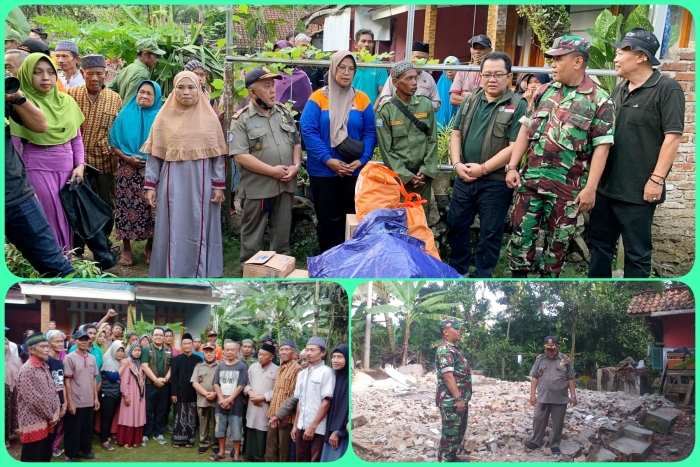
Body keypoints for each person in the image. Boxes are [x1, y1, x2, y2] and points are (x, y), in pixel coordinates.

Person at [505, 36, 616, 278]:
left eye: (558, 59)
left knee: (557, 247)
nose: (552, 65)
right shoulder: (544, 91)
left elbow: (602, 148)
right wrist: (512, 166)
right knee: (521, 240)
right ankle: (519, 292)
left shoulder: (600, 100)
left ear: (578, 61)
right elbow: (526, 129)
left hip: (567, 190)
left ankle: (547, 295)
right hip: (531, 182)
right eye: (551, 59)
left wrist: (590, 189)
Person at [589, 28, 685, 278]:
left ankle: (636, 310)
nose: (616, 58)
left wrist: (656, 180)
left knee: (637, 254)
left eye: (621, 53)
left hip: (639, 192)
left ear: (641, 56)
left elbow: (672, 138)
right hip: (606, 187)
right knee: (600, 248)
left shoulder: (667, 89)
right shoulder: (620, 89)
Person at [446, 52, 527, 278]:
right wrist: (456, 164)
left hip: (495, 181)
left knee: (490, 232)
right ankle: (458, 271)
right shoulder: (471, 99)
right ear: (480, 76)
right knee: (456, 225)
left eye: (498, 74)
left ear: (509, 76)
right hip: (464, 177)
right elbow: (456, 133)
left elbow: (514, 145)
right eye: (487, 74)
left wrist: (483, 169)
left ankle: (483, 275)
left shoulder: (518, 104)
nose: (492, 79)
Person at [143, 70, 227, 278]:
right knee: (173, 225)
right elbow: (155, 154)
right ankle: (171, 272)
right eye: (180, 87)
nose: (186, 92)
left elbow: (217, 155)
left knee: (200, 224)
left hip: (203, 182)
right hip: (173, 183)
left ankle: (200, 273)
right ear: (174, 90)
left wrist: (218, 185)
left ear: (199, 89)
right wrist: (150, 184)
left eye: (191, 87)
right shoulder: (163, 117)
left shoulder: (209, 118)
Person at [5, 49, 75, 277]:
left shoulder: (13, 99)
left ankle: (68, 254)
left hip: (16, 193)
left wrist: (16, 96)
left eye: (50, 72)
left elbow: (43, 125)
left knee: (57, 266)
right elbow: (17, 142)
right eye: (37, 72)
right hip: (36, 170)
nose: (45, 78)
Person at [300, 50, 377, 252]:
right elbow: (308, 131)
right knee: (328, 221)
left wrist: (362, 160)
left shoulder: (361, 99)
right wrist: (328, 160)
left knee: (351, 218)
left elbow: (370, 132)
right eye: (342, 67)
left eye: (351, 69)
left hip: (354, 170)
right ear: (333, 69)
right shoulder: (317, 98)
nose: (346, 72)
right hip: (324, 171)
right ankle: (328, 261)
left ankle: (348, 262)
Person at [229, 66, 302, 262]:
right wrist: (272, 171)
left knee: (282, 235)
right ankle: (251, 271)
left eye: (273, 85)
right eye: (266, 86)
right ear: (252, 92)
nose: (273, 90)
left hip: (285, 185)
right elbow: (240, 155)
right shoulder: (241, 120)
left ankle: (280, 269)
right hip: (259, 189)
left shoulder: (284, 113)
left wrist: (296, 166)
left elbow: (296, 142)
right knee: (253, 237)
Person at [67, 54, 123, 259]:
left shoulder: (114, 98)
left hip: (105, 163)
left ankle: (103, 244)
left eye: (99, 74)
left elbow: (118, 129)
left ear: (106, 75)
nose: (95, 78)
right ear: (82, 74)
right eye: (90, 74)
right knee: (78, 206)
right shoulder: (72, 95)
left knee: (106, 206)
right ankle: (77, 250)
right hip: (77, 163)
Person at [376, 60, 438, 215]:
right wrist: (407, 176)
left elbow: (432, 139)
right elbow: (386, 150)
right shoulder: (385, 110)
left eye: (415, 78)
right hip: (400, 181)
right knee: (400, 221)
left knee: (421, 221)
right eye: (408, 79)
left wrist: (425, 170)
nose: (414, 83)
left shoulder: (425, 104)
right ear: (395, 82)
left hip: (422, 179)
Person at [110, 80, 161, 266]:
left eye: (149, 93)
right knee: (125, 208)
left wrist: (150, 161)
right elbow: (114, 143)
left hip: (153, 170)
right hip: (128, 170)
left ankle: (150, 246)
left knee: (152, 209)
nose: (144, 96)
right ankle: (127, 248)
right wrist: (128, 158)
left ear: (155, 98)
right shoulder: (124, 115)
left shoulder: (160, 117)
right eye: (141, 92)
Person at [526, 336, 576, 454]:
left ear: (557, 347)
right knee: (538, 419)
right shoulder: (540, 360)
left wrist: (573, 396)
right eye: (547, 349)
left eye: (552, 349)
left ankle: (554, 443)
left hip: (560, 398)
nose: (550, 352)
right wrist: (532, 395)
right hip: (543, 397)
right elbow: (534, 378)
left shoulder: (565, 360)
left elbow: (571, 379)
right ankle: (536, 441)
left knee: (558, 422)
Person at [16, 333, 62, 462]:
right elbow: (34, 400)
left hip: (49, 420)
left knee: (45, 456)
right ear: (31, 349)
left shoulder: (44, 366)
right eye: (43, 346)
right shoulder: (27, 370)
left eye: (48, 346)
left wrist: (56, 413)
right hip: (34, 422)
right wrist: (51, 416)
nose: (47, 349)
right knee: (33, 457)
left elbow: (54, 391)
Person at [435, 318, 473, 462]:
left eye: (459, 328)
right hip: (451, 401)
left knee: (458, 432)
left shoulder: (452, 348)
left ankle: (452, 458)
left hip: (458, 401)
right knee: (450, 434)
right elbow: (448, 376)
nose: (459, 331)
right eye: (455, 328)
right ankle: (445, 460)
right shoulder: (445, 349)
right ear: (445, 331)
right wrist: (458, 398)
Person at [291, 336, 335, 462]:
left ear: (323, 353)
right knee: (300, 459)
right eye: (307, 349)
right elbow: (300, 401)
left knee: (315, 460)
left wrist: (312, 427)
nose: (308, 353)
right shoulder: (302, 374)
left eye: (313, 350)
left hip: (317, 428)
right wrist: (295, 425)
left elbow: (326, 402)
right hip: (301, 425)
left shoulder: (327, 373)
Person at [63, 329, 100, 461]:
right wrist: (70, 401)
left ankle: (85, 450)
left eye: (86, 339)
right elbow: (67, 380)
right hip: (76, 399)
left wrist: (96, 398)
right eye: (81, 339)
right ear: (75, 341)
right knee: (73, 429)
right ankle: (70, 454)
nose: (84, 342)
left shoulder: (92, 358)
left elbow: (93, 379)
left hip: (89, 399)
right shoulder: (69, 358)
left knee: (87, 428)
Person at [211, 341, 249, 462]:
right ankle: (221, 452)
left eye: (232, 350)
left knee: (236, 431)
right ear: (224, 351)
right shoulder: (220, 366)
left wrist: (229, 400)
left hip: (236, 405)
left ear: (237, 351)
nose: (230, 352)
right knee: (220, 430)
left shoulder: (242, 366)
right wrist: (222, 399)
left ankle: (236, 455)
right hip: (220, 404)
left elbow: (241, 385)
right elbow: (216, 383)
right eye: (227, 350)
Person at [377, 41, 441, 111]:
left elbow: (436, 103)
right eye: (417, 57)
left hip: (420, 119)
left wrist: (421, 106)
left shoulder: (428, 79)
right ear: (408, 57)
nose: (419, 61)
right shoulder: (396, 76)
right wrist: (400, 106)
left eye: (423, 58)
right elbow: (384, 99)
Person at [266, 338, 301, 462]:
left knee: (284, 449)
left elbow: (295, 396)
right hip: (273, 413)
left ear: (293, 352)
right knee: (271, 447)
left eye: (287, 349)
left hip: (286, 418)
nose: (283, 352)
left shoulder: (297, 369)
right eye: (281, 349)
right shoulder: (280, 367)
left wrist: (283, 415)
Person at [244, 343, 279, 461]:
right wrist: (252, 395)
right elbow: (245, 383)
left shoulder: (277, 370)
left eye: (263, 355)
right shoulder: (253, 367)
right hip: (252, 403)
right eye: (259, 354)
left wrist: (262, 398)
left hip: (265, 406)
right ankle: (249, 455)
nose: (260, 357)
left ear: (271, 357)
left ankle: (260, 457)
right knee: (250, 428)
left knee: (262, 430)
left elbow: (277, 390)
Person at [108, 38, 165, 103]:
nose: (157, 60)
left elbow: (108, 90)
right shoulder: (141, 74)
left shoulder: (128, 67)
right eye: (155, 56)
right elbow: (131, 103)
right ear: (145, 55)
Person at [140, 326, 172, 445]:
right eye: (156, 335)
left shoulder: (168, 350)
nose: (159, 337)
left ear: (164, 337)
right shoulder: (146, 349)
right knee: (148, 409)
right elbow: (144, 366)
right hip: (150, 385)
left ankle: (158, 433)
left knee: (161, 409)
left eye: (161, 335)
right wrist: (156, 380)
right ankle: (146, 433)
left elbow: (172, 367)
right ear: (152, 336)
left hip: (164, 385)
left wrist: (165, 379)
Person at [171, 333, 202, 448]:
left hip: (193, 392)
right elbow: (173, 378)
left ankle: (190, 439)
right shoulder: (176, 359)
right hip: (179, 392)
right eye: (185, 343)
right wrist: (173, 393)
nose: (187, 345)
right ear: (182, 345)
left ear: (193, 344)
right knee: (179, 415)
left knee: (192, 416)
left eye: (189, 343)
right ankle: (177, 439)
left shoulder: (198, 359)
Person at [320, 344, 349, 462]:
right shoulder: (332, 375)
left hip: (340, 433)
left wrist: (338, 431)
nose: (335, 360)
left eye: (340, 357)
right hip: (328, 428)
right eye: (334, 357)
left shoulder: (349, 380)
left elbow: (347, 409)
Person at [191, 341, 219, 454]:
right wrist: (206, 394)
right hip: (203, 400)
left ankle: (216, 444)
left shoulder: (221, 366)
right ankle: (204, 443)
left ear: (215, 352)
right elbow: (194, 382)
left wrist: (215, 394)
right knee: (203, 423)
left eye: (211, 351)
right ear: (203, 353)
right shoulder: (198, 367)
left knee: (217, 423)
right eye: (206, 351)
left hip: (217, 401)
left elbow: (224, 384)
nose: (208, 354)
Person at [117, 343, 146, 449]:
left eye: (139, 350)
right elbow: (124, 381)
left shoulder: (141, 364)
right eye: (135, 350)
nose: (138, 352)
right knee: (128, 417)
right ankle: (126, 441)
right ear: (131, 351)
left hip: (139, 395)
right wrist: (126, 395)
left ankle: (135, 440)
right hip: (129, 394)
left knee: (137, 416)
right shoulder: (128, 363)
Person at [99, 340, 127, 451]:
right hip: (107, 394)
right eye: (118, 351)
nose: (120, 353)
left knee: (110, 417)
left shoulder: (118, 362)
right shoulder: (109, 361)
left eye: (122, 351)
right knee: (106, 417)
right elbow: (113, 377)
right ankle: (104, 441)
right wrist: (123, 366)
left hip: (115, 394)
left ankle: (107, 436)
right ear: (113, 351)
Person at [450, 35, 492, 106]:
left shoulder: (493, 71)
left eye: (481, 48)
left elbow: (493, 99)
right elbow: (453, 99)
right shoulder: (463, 71)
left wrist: (466, 95)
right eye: (474, 48)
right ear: (470, 49)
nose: (477, 51)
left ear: (489, 50)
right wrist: (479, 101)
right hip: (465, 116)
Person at [272, 41, 314, 113]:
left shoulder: (301, 76)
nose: (276, 55)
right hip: (273, 114)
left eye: (279, 52)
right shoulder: (272, 73)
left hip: (295, 116)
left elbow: (308, 101)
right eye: (275, 53)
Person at [351, 29, 387, 105]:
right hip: (350, 111)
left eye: (370, 42)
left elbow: (383, 93)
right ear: (355, 44)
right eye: (363, 41)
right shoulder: (349, 63)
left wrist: (372, 110)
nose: (367, 44)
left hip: (371, 111)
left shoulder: (379, 66)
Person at [45, 330, 67, 458]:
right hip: (50, 399)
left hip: (60, 397)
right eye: (57, 341)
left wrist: (64, 402)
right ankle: (49, 448)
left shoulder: (60, 361)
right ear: (49, 344)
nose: (60, 343)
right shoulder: (47, 362)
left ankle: (54, 447)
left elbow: (62, 382)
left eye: (61, 341)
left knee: (60, 425)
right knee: (51, 424)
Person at [5, 338, 22, 450]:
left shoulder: (16, 360)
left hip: (13, 393)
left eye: (5, 343)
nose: (3, 346)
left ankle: (7, 436)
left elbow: (21, 377)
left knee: (10, 414)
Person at [436, 56, 460, 129]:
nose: (450, 70)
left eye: (453, 67)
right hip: (440, 126)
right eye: (447, 67)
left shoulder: (462, 81)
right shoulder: (441, 82)